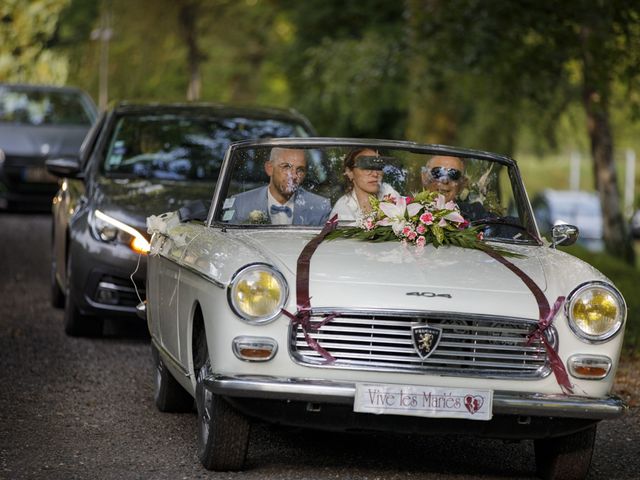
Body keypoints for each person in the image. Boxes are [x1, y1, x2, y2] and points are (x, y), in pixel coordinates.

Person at [226, 147, 331, 226]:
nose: (294, 176)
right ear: (269, 168)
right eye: (286, 167)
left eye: (300, 170)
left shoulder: (320, 207)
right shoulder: (240, 204)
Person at [330, 148, 399, 225]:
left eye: (379, 167)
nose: (375, 174)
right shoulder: (342, 209)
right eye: (367, 167)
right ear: (349, 172)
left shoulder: (388, 192)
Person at [421, 155, 488, 221]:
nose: (445, 180)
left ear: (463, 183)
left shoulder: (477, 215)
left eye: (453, 174)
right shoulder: (411, 211)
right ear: (424, 177)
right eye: (438, 172)